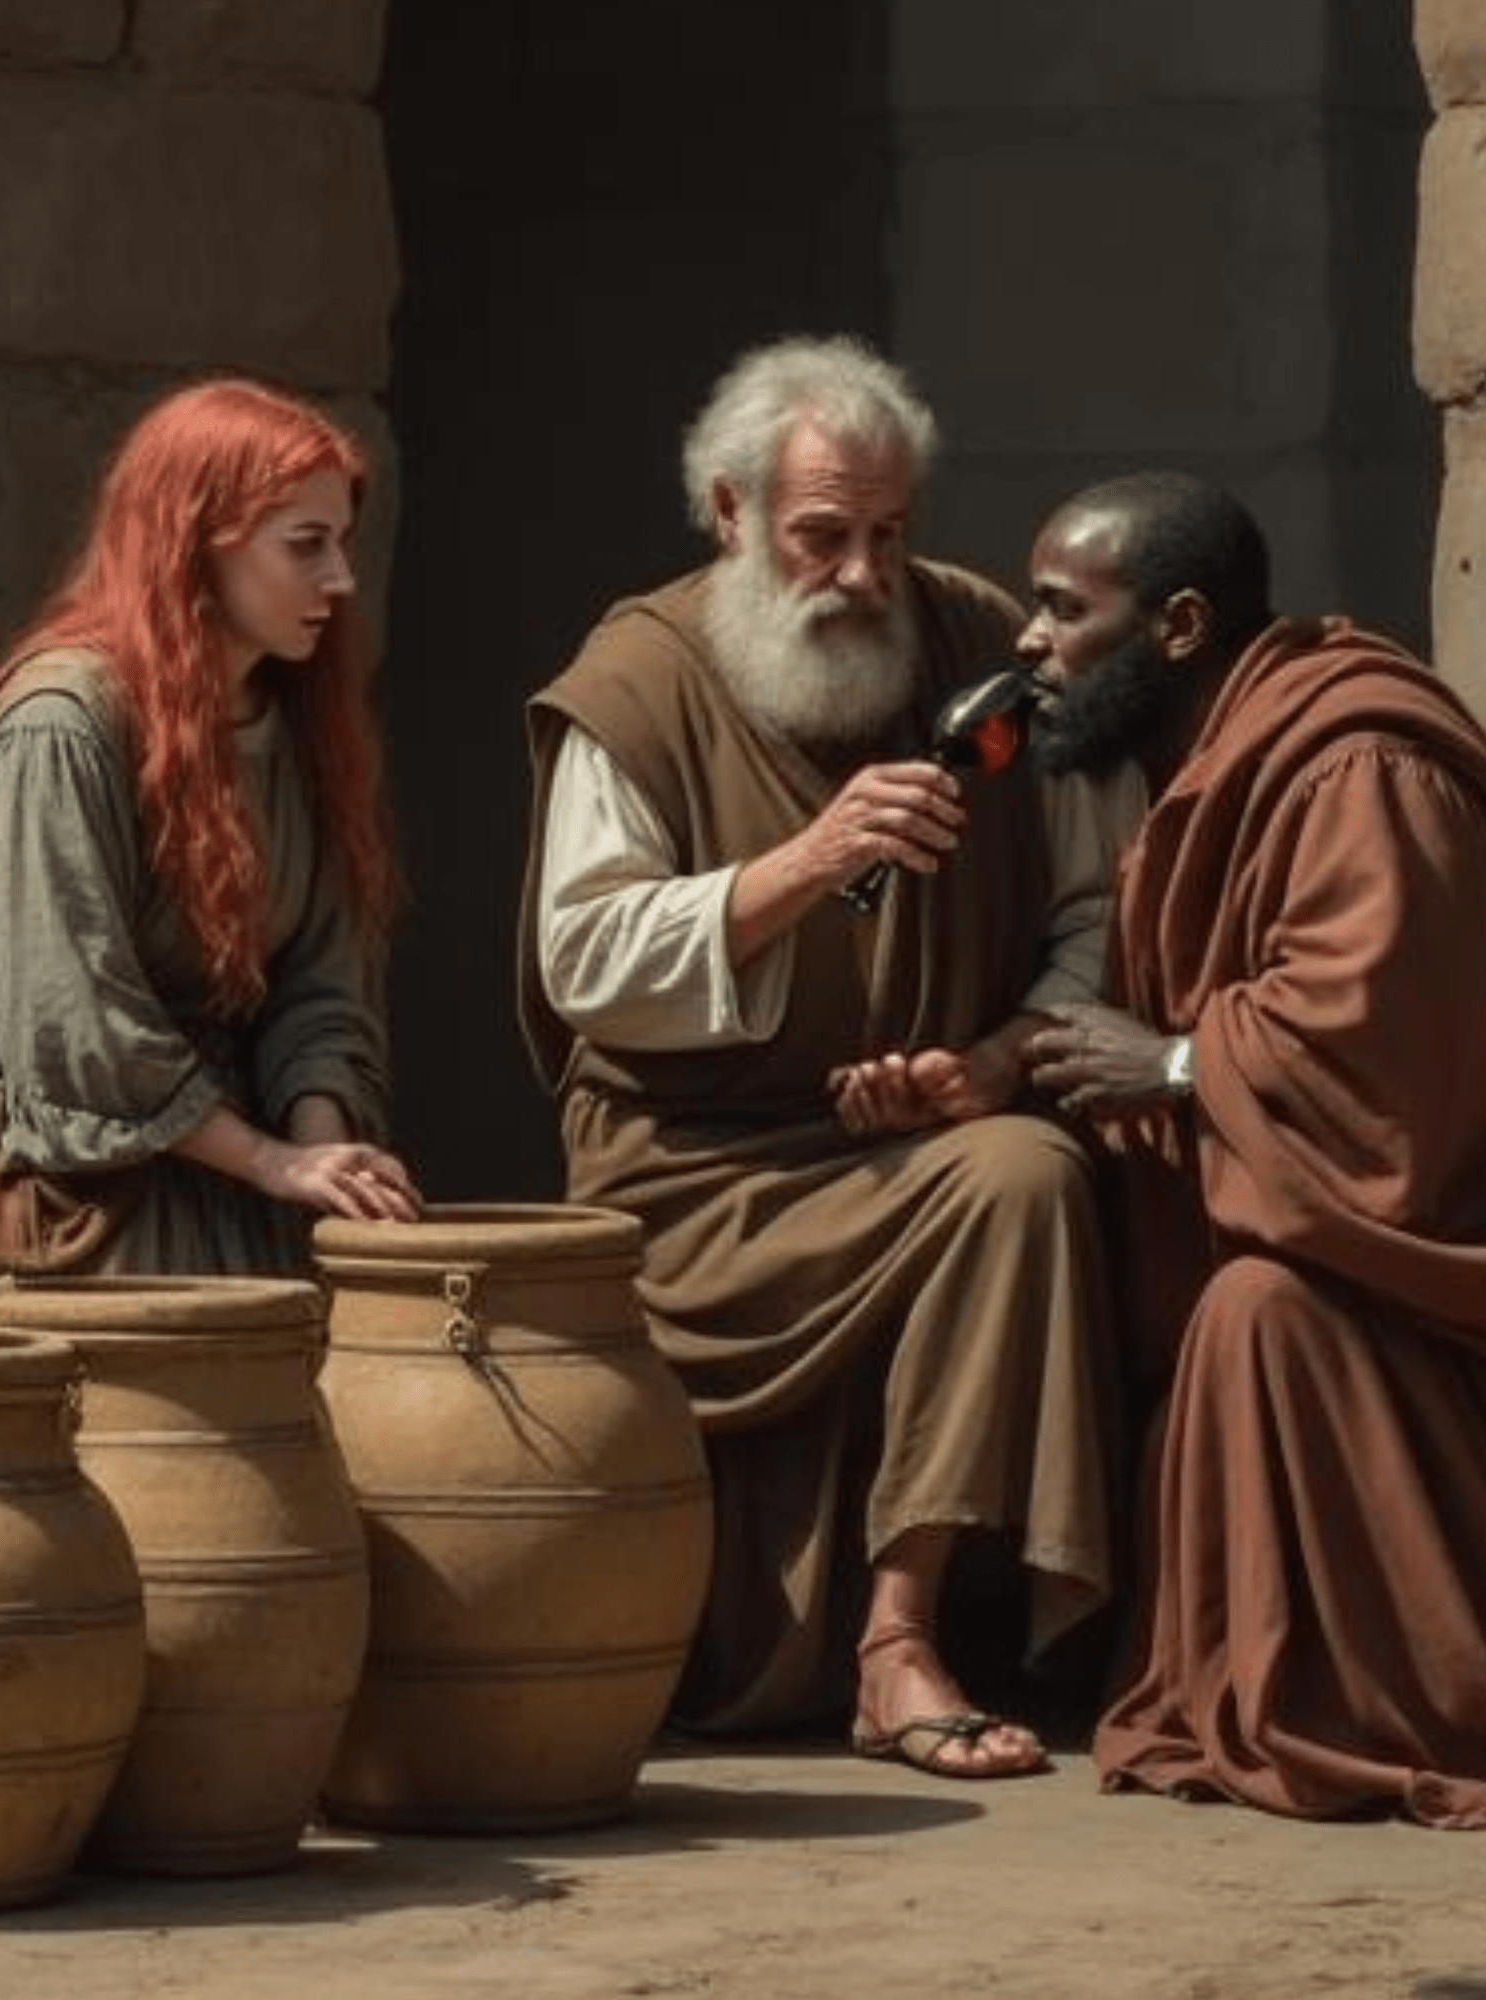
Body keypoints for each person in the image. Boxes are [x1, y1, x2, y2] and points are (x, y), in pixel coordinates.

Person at [518, 335, 1141, 1779]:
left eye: (888, 534)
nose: (864, 576)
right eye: (822, 537)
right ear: (730, 515)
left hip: (916, 1142)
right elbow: (586, 962)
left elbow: (1095, 909)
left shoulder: (986, 645)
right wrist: (797, 868)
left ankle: (898, 1642)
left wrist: (991, 1059)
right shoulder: (640, 681)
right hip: (699, 1171)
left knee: (1025, 1173)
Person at [1020, 469, 1486, 1828]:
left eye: (1061, 611)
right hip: (1317, 1237)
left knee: (1257, 1313)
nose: (1028, 643)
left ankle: (1393, 1701)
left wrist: (1167, 1062)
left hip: (1424, 1285)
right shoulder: (1217, 760)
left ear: (1174, 626)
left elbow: (1382, 1076)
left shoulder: (1363, 769)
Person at [0, 376, 421, 1325]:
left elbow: (319, 979)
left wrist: (327, 1161)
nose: (341, 580)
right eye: (306, 545)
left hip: (242, 1182)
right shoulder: (60, 725)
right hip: (75, 1196)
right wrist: (272, 1161)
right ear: (199, 541)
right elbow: (72, 1021)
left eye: (343, 542)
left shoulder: (291, 726)